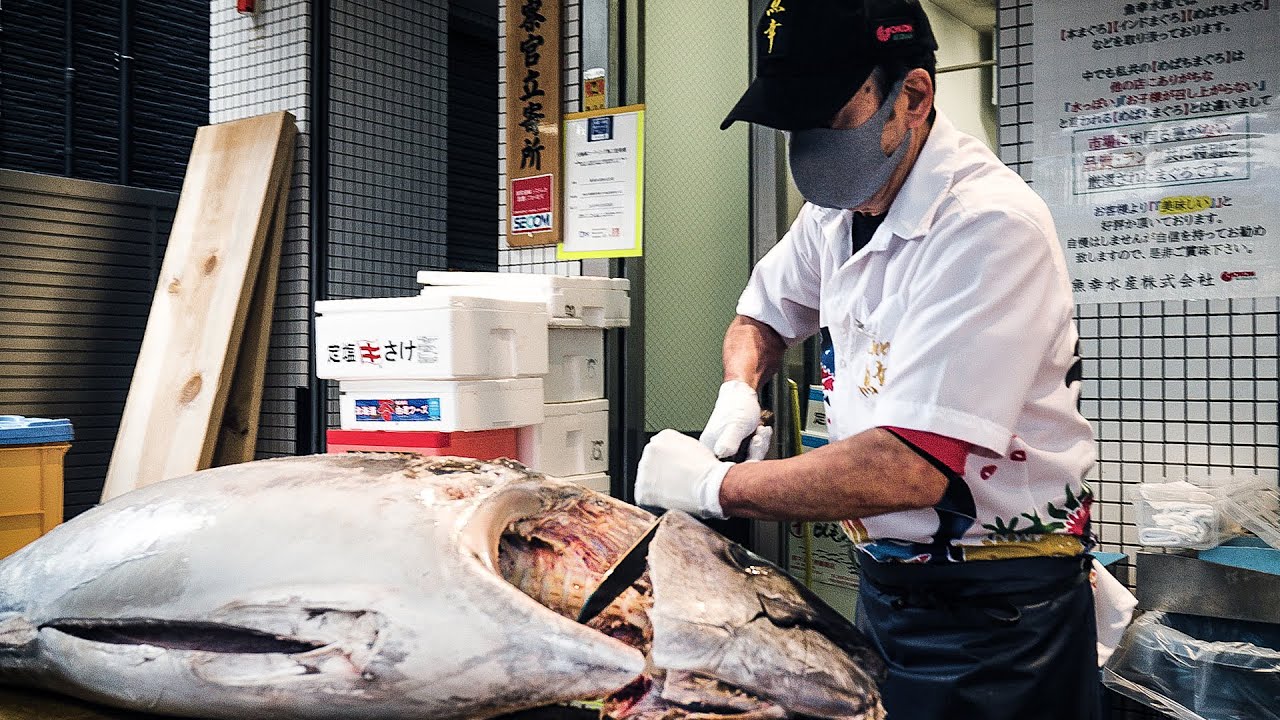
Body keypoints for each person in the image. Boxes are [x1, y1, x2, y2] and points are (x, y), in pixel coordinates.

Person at [633, 1, 1101, 719]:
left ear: (912, 97)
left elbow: (906, 465)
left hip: (1000, 613)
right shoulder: (835, 213)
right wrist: (739, 386)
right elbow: (761, 315)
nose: (811, 148)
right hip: (889, 584)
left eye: (832, 118)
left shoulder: (986, 226)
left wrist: (718, 488)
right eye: (795, 125)